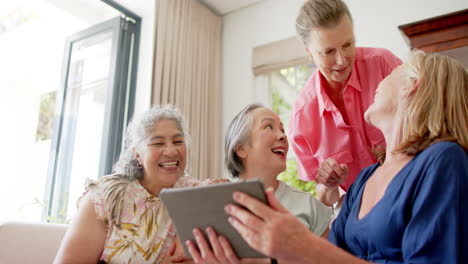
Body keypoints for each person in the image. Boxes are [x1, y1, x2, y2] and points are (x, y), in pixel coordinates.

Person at [186, 51, 468, 263]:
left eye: (395, 72)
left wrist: (300, 243)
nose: (383, 78)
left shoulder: (442, 161)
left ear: (412, 85)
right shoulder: (364, 180)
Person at [54, 104, 203, 264]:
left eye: (178, 141)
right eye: (158, 144)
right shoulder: (106, 196)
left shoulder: (198, 195)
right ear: (138, 155)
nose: (171, 151)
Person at [290, 0, 402, 206]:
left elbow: (429, 123)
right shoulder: (302, 116)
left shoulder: (384, 64)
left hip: (410, 187)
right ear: (309, 52)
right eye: (329, 52)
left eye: (348, 45)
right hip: (364, 209)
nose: (342, 60)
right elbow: (325, 199)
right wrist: (329, 183)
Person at [224, 104, 331, 236]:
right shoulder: (217, 201)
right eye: (268, 126)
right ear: (241, 149)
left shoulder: (310, 206)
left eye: (282, 130)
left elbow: (328, 256)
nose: (282, 136)